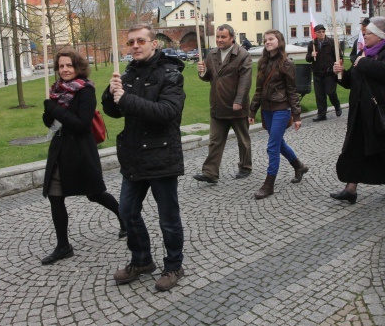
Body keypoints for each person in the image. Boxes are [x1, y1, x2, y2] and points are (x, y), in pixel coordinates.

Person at [102, 24, 186, 292]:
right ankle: (141, 260)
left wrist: (124, 99)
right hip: (134, 156)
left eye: (140, 41)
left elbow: (167, 112)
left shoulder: (170, 74)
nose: (135, 46)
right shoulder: (128, 74)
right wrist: (110, 93)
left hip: (161, 154)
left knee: (168, 218)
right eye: (131, 42)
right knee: (127, 211)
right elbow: (115, 112)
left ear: (154, 44)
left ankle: (174, 265)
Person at [41, 48, 126, 266]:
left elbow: (81, 124)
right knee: (55, 196)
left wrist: (54, 109)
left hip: (80, 152)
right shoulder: (56, 90)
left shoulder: (86, 91)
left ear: (78, 67)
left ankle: (124, 219)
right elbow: (51, 123)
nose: (65, 69)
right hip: (59, 149)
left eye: (69, 65)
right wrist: (47, 112)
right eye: (61, 66)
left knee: (95, 194)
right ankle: (63, 246)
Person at [330, 17, 385, 204]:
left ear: (380, 36)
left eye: (369, 34)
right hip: (361, 111)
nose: (365, 36)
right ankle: (351, 189)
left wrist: (362, 62)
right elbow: (352, 81)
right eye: (365, 33)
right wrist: (339, 74)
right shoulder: (363, 53)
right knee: (355, 149)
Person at [249, 29, 308, 199]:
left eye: (271, 39)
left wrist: (296, 116)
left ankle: (269, 185)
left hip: (281, 110)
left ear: (279, 41)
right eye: (265, 39)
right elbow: (259, 89)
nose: (267, 42)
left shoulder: (286, 63)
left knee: (272, 146)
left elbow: (292, 91)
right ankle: (299, 166)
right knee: (279, 143)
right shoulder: (262, 62)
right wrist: (252, 110)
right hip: (267, 110)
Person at [194, 24, 253, 184]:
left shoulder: (243, 55)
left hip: (236, 107)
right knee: (214, 141)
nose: (219, 40)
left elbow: (245, 81)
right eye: (218, 37)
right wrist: (202, 72)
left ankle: (245, 167)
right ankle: (210, 172)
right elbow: (208, 78)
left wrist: (239, 100)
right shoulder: (212, 54)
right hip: (217, 105)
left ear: (232, 38)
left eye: (223, 37)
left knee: (243, 140)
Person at [306, 24, 343, 121]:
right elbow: (307, 59)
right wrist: (311, 55)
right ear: (315, 33)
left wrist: (337, 65)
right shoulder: (312, 44)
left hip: (329, 73)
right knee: (319, 95)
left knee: (330, 92)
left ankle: (337, 105)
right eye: (319, 32)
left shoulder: (331, 42)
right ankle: (322, 114)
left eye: (323, 31)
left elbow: (338, 56)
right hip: (317, 73)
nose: (321, 34)